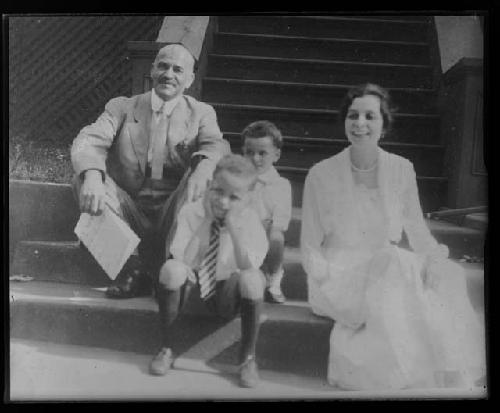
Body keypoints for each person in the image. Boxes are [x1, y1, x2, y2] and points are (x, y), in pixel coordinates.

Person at [300, 83, 485, 390]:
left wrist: (434, 260)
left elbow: (416, 230)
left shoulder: (401, 169)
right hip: (339, 273)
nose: (360, 124)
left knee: (448, 273)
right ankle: (403, 376)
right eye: (353, 115)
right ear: (344, 121)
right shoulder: (320, 173)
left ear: (384, 125)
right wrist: (328, 285)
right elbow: (309, 247)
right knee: (394, 262)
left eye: (370, 116)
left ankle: (452, 370)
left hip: (386, 264)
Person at [71, 43, 230, 299]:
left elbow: (215, 145)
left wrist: (204, 169)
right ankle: (132, 271)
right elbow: (89, 139)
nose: (169, 74)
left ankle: (171, 268)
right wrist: (91, 174)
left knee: (204, 171)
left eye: (178, 70)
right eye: (163, 66)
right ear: (152, 70)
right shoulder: (122, 107)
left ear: (189, 80)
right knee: (85, 175)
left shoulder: (201, 113)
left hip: (173, 211)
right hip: (129, 211)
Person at [149, 154, 268, 388]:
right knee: (172, 269)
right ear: (209, 185)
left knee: (253, 279)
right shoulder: (191, 212)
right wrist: (206, 222)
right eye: (218, 191)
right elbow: (186, 260)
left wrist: (232, 226)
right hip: (193, 293)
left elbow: (247, 265)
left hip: (228, 296)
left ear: (247, 200)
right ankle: (167, 348)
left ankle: (247, 358)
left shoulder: (251, 220)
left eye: (234, 197)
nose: (223, 202)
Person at [241, 120, 292, 304]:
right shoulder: (237, 182)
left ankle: (273, 279)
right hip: (241, 242)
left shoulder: (281, 186)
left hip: (266, 241)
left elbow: (280, 222)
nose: (255, 159)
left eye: (262, 153)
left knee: (276, 236)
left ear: (276, 155)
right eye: (250, 153)